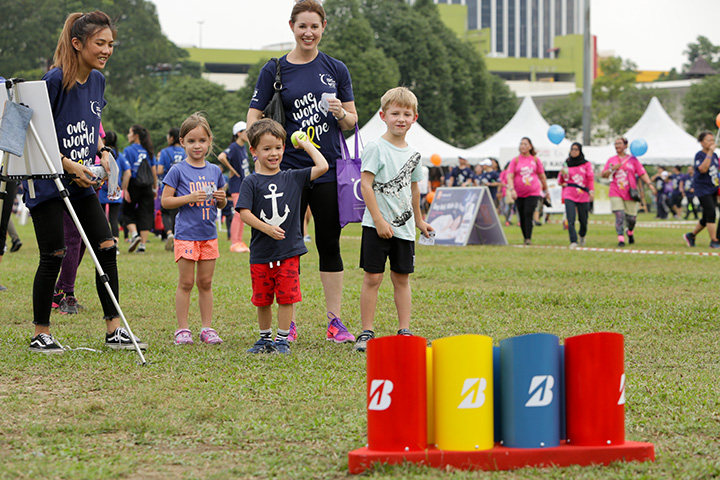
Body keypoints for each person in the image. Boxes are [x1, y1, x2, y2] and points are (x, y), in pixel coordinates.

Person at [26, 11, 146, 352]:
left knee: (107, 248)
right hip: (47, 181)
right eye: (100, 43)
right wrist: (69, 165)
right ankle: (40, 333)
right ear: (78, 44)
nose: (107, 50)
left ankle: (114, 330)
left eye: (111, 44)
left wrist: (103, 150)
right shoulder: (52, 81)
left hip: (81, 183)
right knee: (54, 254)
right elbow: (32, 136)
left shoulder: (97, 80)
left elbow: (92, 121)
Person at [247, 0, 357, 343]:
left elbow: (353, 124)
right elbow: (253, 116)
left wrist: (340, 114)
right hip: (286, 174)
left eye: (315, 26)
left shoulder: (336, 68)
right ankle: (287, 324)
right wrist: (263, 153)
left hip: (327, 169)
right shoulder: (275, 69)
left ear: (324, 27)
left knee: (329, 243)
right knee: (284, 248)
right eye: (302, 26)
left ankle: (335, 321)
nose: (308, 32)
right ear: (291, 27)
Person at [237, 118, 329, 355]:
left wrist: (306, 144)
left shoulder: (293, 177)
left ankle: (282, 339)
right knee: (262, 299)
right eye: (267, 149)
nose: (274, 153)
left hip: (288, 252)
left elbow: (322, 166)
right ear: (254, 151)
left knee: (287, 297)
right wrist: (266, 227)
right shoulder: (251, 182)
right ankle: (264, 339)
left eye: (278, 148)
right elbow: (244, 213)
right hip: (261, 253)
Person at [353, 87, 433, 352]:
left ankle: (404, 330)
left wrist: (420, 222)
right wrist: (378, 220)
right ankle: (366, 332)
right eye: (395, 113)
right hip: (376, 226)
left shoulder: (414, 154)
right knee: (373, 278)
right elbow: (366, 185)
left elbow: (413, 189)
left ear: (415, 118)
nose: (401, 118)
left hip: (405, 229)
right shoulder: (376, 147)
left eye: (406, 114)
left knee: (402, 279)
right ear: (382, 115)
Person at [161, 113, 227, 345]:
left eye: (201, 140)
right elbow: (165, 201)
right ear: (182, 142)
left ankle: (207, 328)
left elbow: (221, 202)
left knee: (206, 283)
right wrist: (188, 197)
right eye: (191, 141)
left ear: (209, 140)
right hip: (187, 236)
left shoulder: (215, 171)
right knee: (186, 283)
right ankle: (182, 329)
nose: (197, 146)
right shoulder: (177, 170)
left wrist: (222, 199)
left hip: (208, 236)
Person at [602, 137, 656, 247]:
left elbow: (642, 173)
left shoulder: (633, 160)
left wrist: (650, 184)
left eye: (619, 143)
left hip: (630, 192)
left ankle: (630, 232)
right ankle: (621, 239)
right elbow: (603, 174)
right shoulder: (611, 160)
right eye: (615, 144)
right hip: (615, 191)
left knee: (632, 219)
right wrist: (612, 169)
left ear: (626, 146)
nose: (617, 146)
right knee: (619, 215)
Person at [506, 137, 549, 245]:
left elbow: (541, 175)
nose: (523, 146)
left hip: (533, 191)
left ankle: (528, 238)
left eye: (525, 144)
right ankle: (525, 236)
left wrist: (545, 188)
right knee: (522, 214)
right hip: (519, 192)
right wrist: (512, 189)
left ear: (530, 146)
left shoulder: (535, 159)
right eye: (521, 144)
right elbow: (510, 176)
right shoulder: (515, 160)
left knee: (528, 213)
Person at [122, 124, 157, 254]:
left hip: (133, 184)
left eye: (130, 133)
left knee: (127, 211)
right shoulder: (149, 150)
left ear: (135, 135)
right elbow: (154, 172)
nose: (128, 135)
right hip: (147, 185)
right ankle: (142, 245)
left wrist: (125, 189)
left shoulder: (128, 150)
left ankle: (134, 234)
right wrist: (154, 188)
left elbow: (127, 171)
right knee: (146, 213)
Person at [217, 121, 251, 253]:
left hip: (243, 183)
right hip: (236, 183)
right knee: (238, 213)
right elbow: (221, 156)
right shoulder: (234, 146)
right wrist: (233, 170)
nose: (248, 134)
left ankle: (239, 241)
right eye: (246, 131)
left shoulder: (243, 147)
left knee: (243, 213)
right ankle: (234, 243)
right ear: (239, 133)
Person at [683, 132, 719, 248]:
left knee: (706, 217)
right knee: (711, 213)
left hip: (713, 189)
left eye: (712, 140)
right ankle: (714, 241)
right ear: (702, 143)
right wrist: (710, 152)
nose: (712, 142)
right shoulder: (700, 155)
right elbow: (703, 169)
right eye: (709, 140)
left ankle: (691, 235)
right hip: (703, 190)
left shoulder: (715, 156)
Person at [558, 143, 594, 248]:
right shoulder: (567, 163)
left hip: (583, 194)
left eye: (576, 149)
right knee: (571, 218)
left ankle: (582, 235)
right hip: (569, 193)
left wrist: (591, 191)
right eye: (572, 149)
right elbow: (561, 180)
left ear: (580, 151)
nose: (573, 151)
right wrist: (562, 174)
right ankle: (573, 240)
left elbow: (590, 178)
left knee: (583, 220)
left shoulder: (586, 164)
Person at [156, 127, 185, 251]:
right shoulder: (185, 152)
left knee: (165, 211)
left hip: (167, 186)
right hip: (181, 186)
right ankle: (176, 237)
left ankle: (169, 233)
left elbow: (159, 170)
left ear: (171, 138)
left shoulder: (165, 152)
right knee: (177, 212)